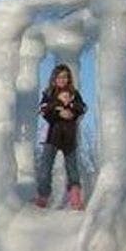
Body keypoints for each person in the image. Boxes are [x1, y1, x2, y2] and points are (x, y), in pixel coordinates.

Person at [34, 64, 87, 210]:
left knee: (72, 169)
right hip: (52, 136)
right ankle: (43, 196)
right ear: (54, 78)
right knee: (45, 168)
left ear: (69, 78)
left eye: (65, 76)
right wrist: (58, 108)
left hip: (69, 136)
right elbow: (43, 110)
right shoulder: (48, 93)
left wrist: (71, 110)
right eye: (59, 76)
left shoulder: (74, 93)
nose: (62, 79)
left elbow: (82, 108)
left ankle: (75, 199)